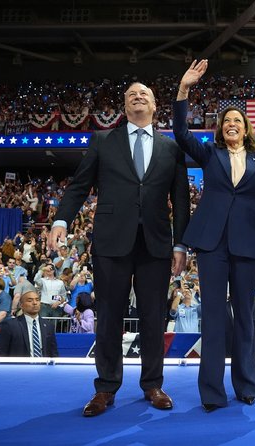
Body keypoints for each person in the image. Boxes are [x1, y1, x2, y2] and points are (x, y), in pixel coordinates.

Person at [49, 80, 190, 417]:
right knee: (109, 316)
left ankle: (153, 384)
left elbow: (181, 201)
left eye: (144, 94)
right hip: (111, 240)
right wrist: (60, 221)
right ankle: (106, 388)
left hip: (156, 243)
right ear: (124, 107)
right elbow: (80, 185)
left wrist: (181, 243)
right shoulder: (102, 140)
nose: (138, 97)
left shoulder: (171, 148)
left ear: (155, 106)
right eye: (131, 95)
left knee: (153, 317)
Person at [174, 60, 255, 412]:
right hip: (211, 244)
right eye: (226, 122)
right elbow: (181, 134)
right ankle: (211, 392)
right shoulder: (210, 154)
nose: (232, 125)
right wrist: (184, 90)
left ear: (246, 127)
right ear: (220, 129)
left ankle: (247, 385)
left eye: (237, 121)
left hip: (247, 244)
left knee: (245, 315)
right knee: (212, 316)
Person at [0, 290, 59, 357]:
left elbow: (53, 352)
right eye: (30, 300)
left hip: (43, 366)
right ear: (21, 305)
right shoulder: (9, 326)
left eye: (37, 300)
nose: (35, 303)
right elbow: (0, 353)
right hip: (19, 366)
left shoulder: (48, 326)